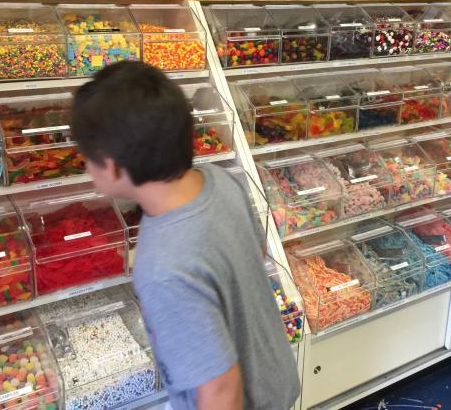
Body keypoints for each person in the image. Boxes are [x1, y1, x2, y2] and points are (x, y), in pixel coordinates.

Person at [71, 61, 301, 410]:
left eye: (87, 157)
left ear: (113, 168)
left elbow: (220, 389)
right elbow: (256, 252)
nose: (85, 165)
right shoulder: (221, 180)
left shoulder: (163, 269)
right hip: (276, 379)